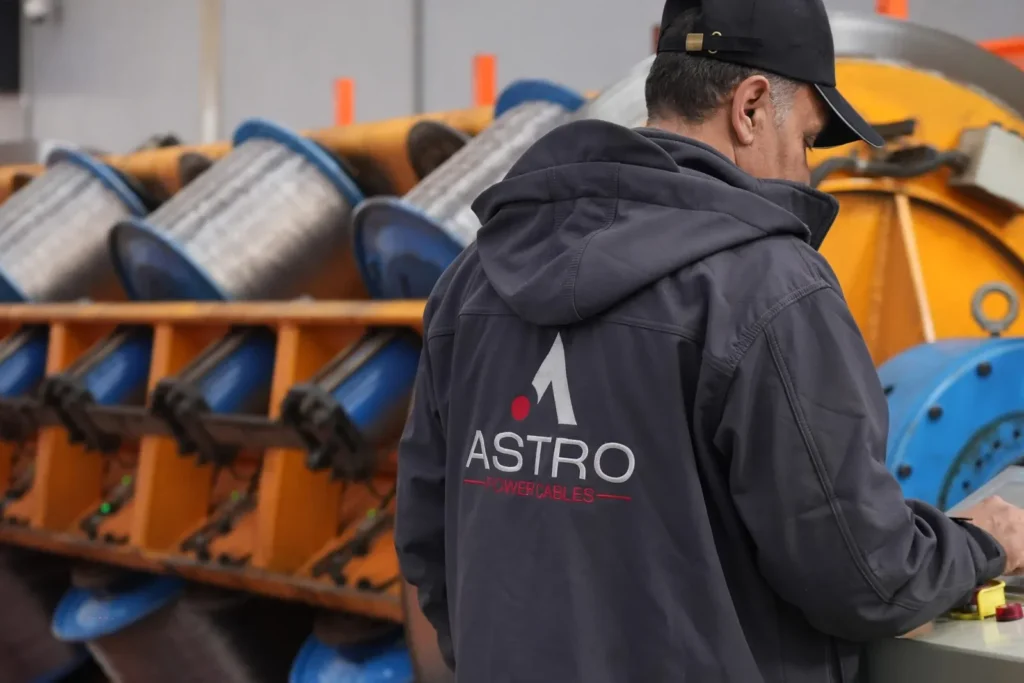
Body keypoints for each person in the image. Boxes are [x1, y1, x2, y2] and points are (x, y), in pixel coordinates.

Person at [395, 0, 1024, 680]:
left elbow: (429, 542)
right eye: (808, 140)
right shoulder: (769, 284)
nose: (804, 171)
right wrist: (979, 545)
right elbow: (864, 575)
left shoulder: (473, 278)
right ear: (749, 107)